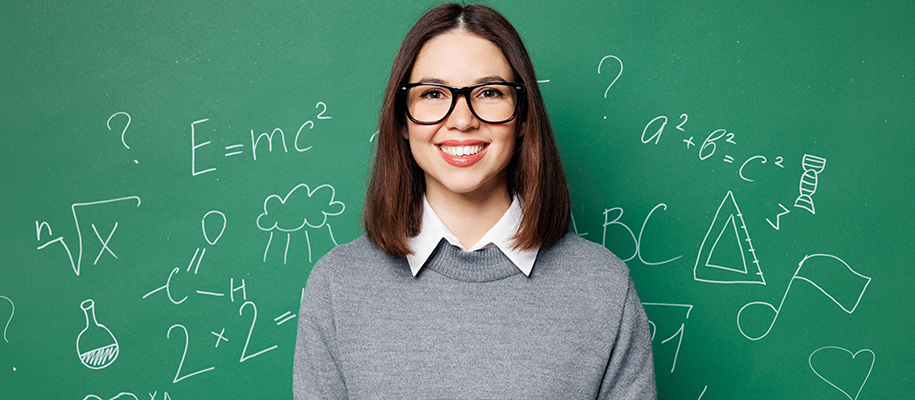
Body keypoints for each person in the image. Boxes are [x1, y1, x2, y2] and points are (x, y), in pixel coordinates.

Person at [293, 3, 657, 399]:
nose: (462, 119)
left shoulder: (602, 287)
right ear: (401, 118)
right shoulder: (337, 286)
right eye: (433, 93)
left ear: (522, 117)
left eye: (489, 92)